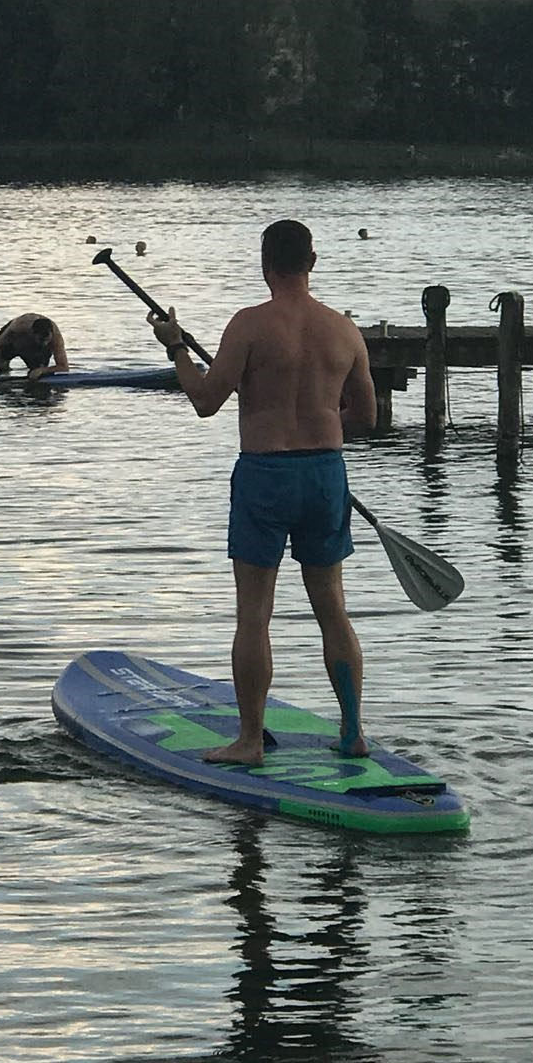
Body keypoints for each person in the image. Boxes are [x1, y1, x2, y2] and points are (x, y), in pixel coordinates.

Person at [150, 219, 377, 766]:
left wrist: (177, 348)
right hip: (325, 474)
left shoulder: (249, 325)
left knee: (254, 615)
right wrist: (321, 423)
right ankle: (352, 732)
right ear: (312, 261)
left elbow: (205, 400)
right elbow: (366, 418)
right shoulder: (344, 330)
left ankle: (250, 741)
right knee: (333, 609)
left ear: (264, 263)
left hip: (265, 474)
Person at [0, 314, 69, 382]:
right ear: (32, 333)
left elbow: (64, 367)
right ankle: (4, 364)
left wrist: (42, 370)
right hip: (14, 343)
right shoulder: (17, 327)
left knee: (35, 375)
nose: (44, 343)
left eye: (47, 340)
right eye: (41, 340)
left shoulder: (56, 338)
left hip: (35, 350)